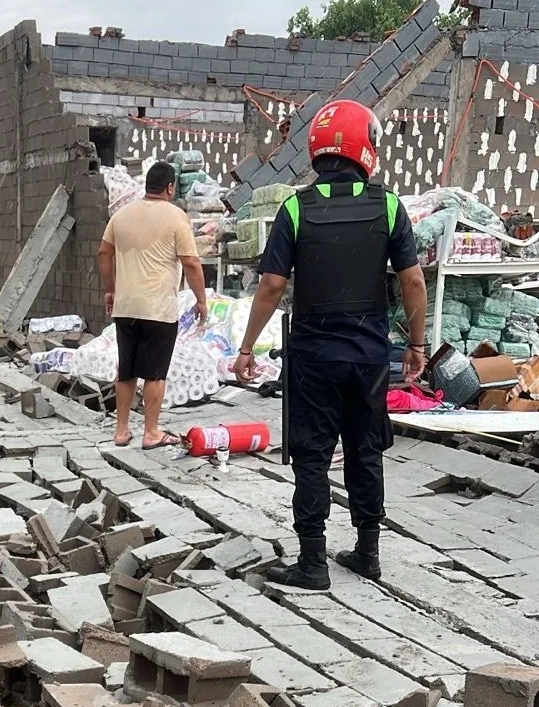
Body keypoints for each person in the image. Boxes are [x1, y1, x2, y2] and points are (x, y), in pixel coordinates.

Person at [235, 100, 428, 590]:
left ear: (317, 147)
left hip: (314, 357)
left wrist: (247, 347)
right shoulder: (388, 205)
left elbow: (273, 286)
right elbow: (413, 283)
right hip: (368, 358)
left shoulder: (297, 207)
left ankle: (313, 561)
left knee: (313, 454)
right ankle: (367, 552)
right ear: (366, 147)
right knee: (366, 450)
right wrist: (417, 345)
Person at [98, 161, 208, 450]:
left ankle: (121, 431)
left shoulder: (120, 216)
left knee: (127, 371)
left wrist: (111, 288)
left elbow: (104, 252)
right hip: (158, 309)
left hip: (125, 307)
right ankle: (151, 432)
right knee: (155, 372)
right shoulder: (176, 217)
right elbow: (191, 263)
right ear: (170, 187)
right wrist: (201, 299)